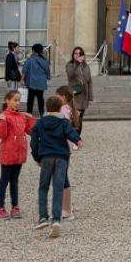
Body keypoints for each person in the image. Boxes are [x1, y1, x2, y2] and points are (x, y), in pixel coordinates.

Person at [31, 94, 82, 238]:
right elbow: (70, 133)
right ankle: (56, 220)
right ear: (60, 108)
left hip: (46, 156)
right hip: (61, 156)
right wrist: (78, 140)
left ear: (47, 108)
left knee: (43, 187)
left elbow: (34, 141)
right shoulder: (64, 122)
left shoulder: (40, 123)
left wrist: (37, 157)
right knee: (58, 188)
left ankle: (42, 217)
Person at [0, 90, 36, 218]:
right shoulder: (4, 116)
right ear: (7, 101)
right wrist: (2, 122)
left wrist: (31, 119)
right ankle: (0, 207)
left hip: (19, 154)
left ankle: (15, 206)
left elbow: (31, 132)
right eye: (15, 100)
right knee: (4, 181)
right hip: (8, 154)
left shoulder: (21, 116)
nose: (17, 103)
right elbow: (2, 135)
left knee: (14, 181)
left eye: (19, 100)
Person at [55, 85, 80, 221]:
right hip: (66, 147)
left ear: (63, 98)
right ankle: (65, 208)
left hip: (61, 147)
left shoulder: (63, 111)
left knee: (63, 179)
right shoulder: (70, 109)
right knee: (63, 177)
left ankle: (67, 210)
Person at [65, 46, 93, 125]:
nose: (77, 55)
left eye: (80, 54)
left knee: (80, 119)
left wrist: (90, 97)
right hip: (74, 93)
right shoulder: (69, 65)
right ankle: (74, 136)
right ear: (73, 55)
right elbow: (70, 75)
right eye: (76, 53)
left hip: (84, 94)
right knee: (75, 118)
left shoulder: (86, 66)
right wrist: (76, 63)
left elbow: (89, 81)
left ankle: (77, 136)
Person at [22, 43, 51, 117]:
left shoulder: (30, 60)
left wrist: (22, 80)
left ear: (33, 50)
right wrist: (47, 77)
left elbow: (24, 71)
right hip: (41, 82)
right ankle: (41, 112)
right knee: (40, 98)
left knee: (30, 98)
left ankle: (29, 113)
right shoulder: (44, 61)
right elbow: (48, 71)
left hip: (31, 81)